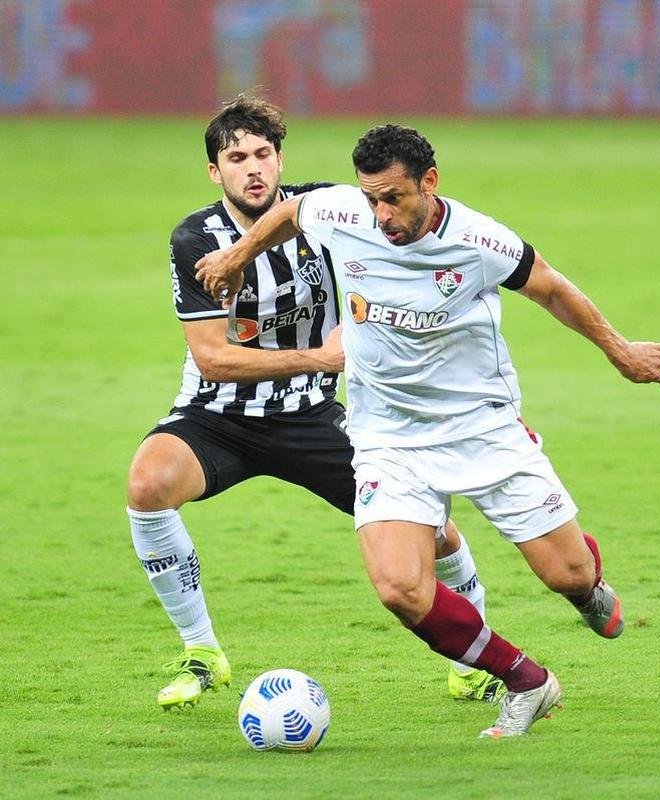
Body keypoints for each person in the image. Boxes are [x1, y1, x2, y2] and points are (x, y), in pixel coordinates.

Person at [194, 123, 660, 738]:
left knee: (568, 576)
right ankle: (526, 681)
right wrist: (237, 254)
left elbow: (554, 290)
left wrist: (619, 351)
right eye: (370, 198)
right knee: (400, 587)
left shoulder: (480, 241)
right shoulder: (343, 212)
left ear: (429, 183)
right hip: (387, 438)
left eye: (393, 199)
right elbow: (294, 211)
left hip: (482, 428)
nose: (379, 215)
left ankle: (588, 586)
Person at [128, 95, 502, 711]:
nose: (254, 168)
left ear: (280, 159)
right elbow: (213, 358)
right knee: (147, 485)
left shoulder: (335, 211)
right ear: (214, 172)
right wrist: (322, 357)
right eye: (236, 157)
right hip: (218, 416)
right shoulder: (196, 238)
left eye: (264, 154)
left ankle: (475, 660)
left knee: (431, 527)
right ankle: (201, 653)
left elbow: (410, 248)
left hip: (313, 416)